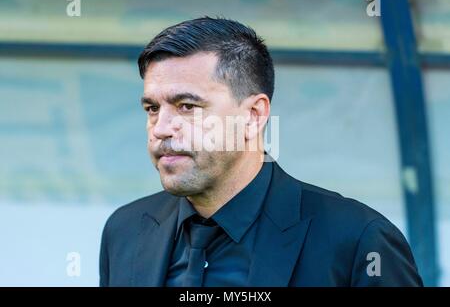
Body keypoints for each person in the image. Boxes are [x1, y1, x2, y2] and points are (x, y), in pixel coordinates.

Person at [99, 17, 423, 287]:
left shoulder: (358, 241)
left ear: (253, 115)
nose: (161, 128)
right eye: (152, 108)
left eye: (187, 106)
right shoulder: (124, 231)